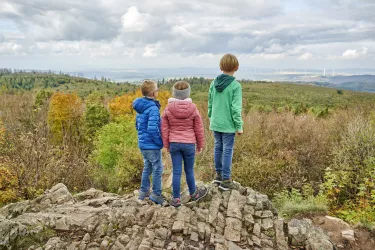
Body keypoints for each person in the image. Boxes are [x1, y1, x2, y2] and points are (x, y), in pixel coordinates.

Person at [162, 81, 208, 207]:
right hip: (189, 144)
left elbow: (164, 128)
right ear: (188, 93)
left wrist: (166, 145)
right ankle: (194, 194)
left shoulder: (168, 108)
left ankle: (176, 199)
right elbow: (199, 128)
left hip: (174, 143)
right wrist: (200, 144)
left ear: (174, 93)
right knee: (189, 170)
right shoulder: (193, 108)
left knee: (176, 171)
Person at [208, 54, 244, 191]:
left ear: (220, 67)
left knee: (218, 147)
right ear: (236, 67)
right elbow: (235, 108)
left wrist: (211, 116)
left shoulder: (213, 83)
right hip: (228, 124)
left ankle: (218, 175)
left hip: (216, 122)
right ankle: (226, 180)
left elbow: (210, 102)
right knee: (227, 150)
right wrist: (239, 126)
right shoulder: (235, 86)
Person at [132, 80, 165, 205]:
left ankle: (143, 191)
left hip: (143, 143)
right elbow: (152, 129)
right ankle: (156, 194)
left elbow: (137, 125)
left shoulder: (141, 106)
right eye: (157, 89)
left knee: (147, 167)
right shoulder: (153, 108)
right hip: (152, 145)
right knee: (158, 168)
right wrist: (159, 142)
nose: (158, 91)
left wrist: (143, 137)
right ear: (152, 93)